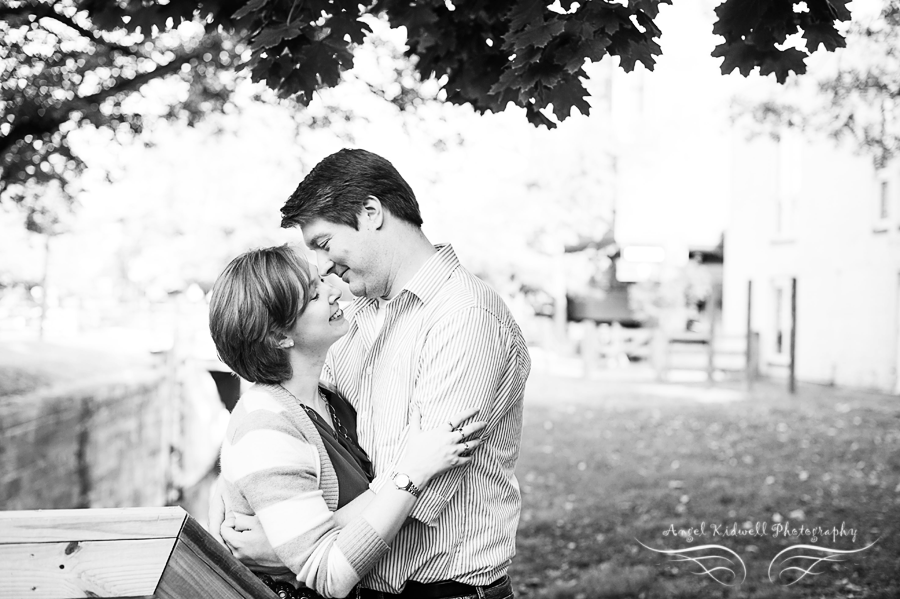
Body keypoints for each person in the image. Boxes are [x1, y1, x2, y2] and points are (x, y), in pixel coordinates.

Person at [212, 149, 531, 599]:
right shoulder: (355, 316)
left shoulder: (465, 318)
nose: (322, 267)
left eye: (324, 243)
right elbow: (294, 418)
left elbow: (424, 489)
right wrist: (233, 494)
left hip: (441, 592)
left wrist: (291, 549)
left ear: (370, 213)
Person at [209, 245, 486, 599]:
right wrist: (411, 472)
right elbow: (329, 575)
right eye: (313, 294)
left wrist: (281, 547)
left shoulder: (330, 398)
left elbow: (340, 516)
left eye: (322, 279)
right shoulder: (265, 426)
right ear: (280, 337)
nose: (333, 289)